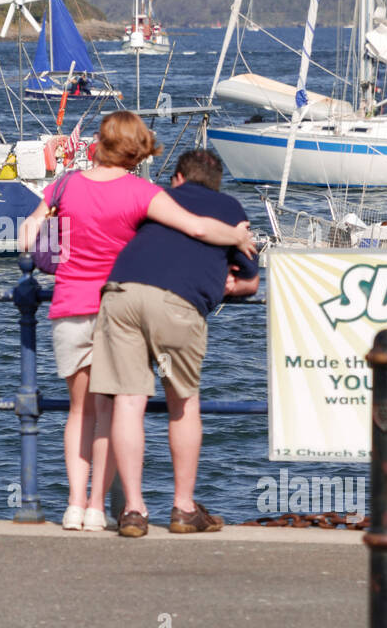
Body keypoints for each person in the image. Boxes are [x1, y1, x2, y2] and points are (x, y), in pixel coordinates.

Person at [18, 115, 255, 532]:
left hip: (72, 304)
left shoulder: (65, 185)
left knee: (79, 411)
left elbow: (28, 232)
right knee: (114, 408)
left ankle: (80, 505)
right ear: (137, 148)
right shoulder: (143, 193)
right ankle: (98, 508)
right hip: (117, 300)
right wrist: (237, 238)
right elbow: (196, 228)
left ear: (98, 143)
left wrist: (43, 246)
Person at [89, 148, 260, 538]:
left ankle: (133, 511)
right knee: (183, 403)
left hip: (121, 294)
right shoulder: (231, 207)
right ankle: (183, 508)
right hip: (177, 305)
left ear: (178, 178)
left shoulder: (155, 197)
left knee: (129, 403)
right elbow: (249, 280)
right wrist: (229, 284)